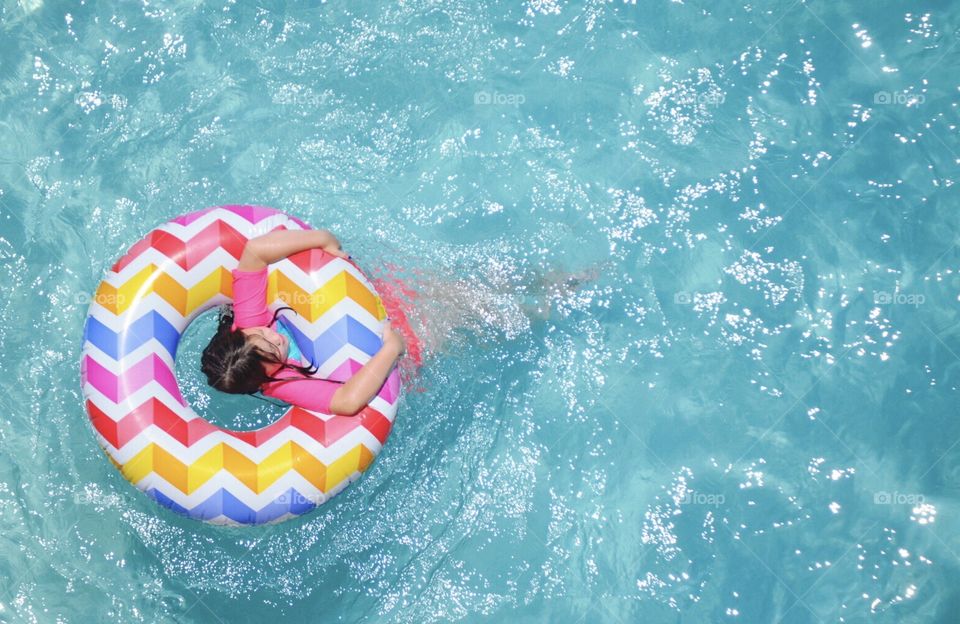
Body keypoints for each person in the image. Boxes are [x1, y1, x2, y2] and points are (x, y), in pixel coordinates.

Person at [200, 228, 407, 416]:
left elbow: (255, 250)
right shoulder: (281, 384)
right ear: (264, 378)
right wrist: (392, 347)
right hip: (381, 340)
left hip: (359, 299)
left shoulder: (249, 323)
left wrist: (323, 240)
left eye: (263, 335)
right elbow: (347, 401)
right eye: (273, 351)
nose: (275, 337)